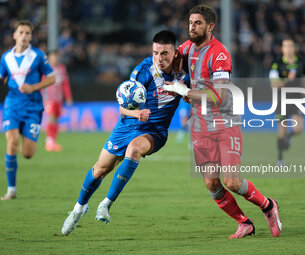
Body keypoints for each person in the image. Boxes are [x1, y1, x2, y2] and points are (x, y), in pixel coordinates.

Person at [163, 5, 282, 238]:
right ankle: (244, 223)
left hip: (225, 123)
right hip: (200, 126)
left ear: (210, 26)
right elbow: (168, 60)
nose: (192, 27)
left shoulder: (219, 53)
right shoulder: (186, 48)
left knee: (232, 181)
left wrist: (184, 90)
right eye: (190, 22)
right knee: (211, 184)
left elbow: (220, 96)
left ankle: (268, 206)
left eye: (197, 23)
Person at [61, 30, 183, 235]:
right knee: (100, 170)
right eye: (155, 53)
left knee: (134, 149)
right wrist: (137, 114)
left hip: (155, 131)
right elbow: (122, 107)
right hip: (127, 125)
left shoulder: (184, 73)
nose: (159, 59)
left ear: (175, 53)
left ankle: (106, 204)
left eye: (164, 54)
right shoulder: (143, 71)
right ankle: (78, 209)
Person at [0, 20, 56, 200]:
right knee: (12, 142)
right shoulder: (6, 58)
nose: (24, 36)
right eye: (21, 32)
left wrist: (33, 88)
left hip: (33, 107)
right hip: (12, 105)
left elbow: (52, 78)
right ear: (14, 35)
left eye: (27, 33)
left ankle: (27, 135)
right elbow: (3, 77)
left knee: (27, 153)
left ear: (31, 36)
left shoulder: (38, 56)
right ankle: (11, 190)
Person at [269, 38, 305, 166]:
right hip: (281, 100)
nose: (288, 49)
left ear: (294, 48)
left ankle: (290, 136)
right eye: (285, 46)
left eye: (290, 46)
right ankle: (280, 158)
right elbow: (274, 85)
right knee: (281, 131)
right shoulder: (277, 64)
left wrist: (304, 89)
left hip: (297, 100)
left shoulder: (302, 63)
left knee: (298, 129)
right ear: (282, 49)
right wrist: (287, 80)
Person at [42, 50, 73, 152]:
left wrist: (68, 97)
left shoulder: (61, 68)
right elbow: (42, 83)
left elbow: (65, 83)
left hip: (58, 99)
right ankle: (49, 141)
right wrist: (41, 96)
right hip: (49, 98)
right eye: (53, 56)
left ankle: (53, 141)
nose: (55, 58)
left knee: (55, 118)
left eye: (56, 56)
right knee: (51, 117)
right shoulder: (46, 68)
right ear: (49, 57)